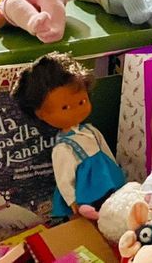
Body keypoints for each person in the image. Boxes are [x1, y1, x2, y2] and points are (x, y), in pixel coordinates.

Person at [12, 52, 125, 220]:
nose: (76, 110)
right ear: (41, 113)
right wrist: (72, 200)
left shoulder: (90, 130)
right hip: (87, 191)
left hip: (107, 178)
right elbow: (64, 177)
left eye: (82, 102)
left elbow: (106, 151)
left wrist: (115, 169)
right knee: (91, 218)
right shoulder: (64, 147)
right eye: (65, 108)